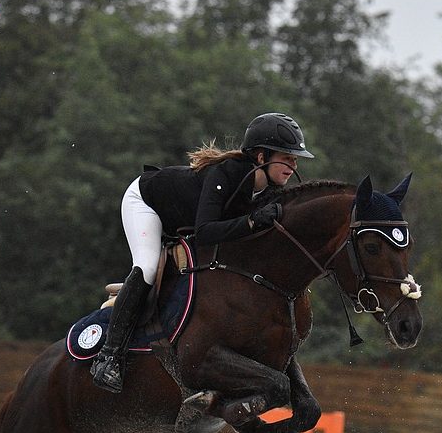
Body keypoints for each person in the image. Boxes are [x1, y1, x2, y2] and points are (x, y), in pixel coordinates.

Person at [90, 112, 315, 392]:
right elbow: (207, 231)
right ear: (261, 157)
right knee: (147, 267)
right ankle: (109, 357)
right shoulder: (228, 174)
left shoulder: (266, 189)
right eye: (287, 157)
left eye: (295, 158)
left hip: (181, 220)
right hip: (146, 203)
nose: (293, 165)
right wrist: (252, 222)